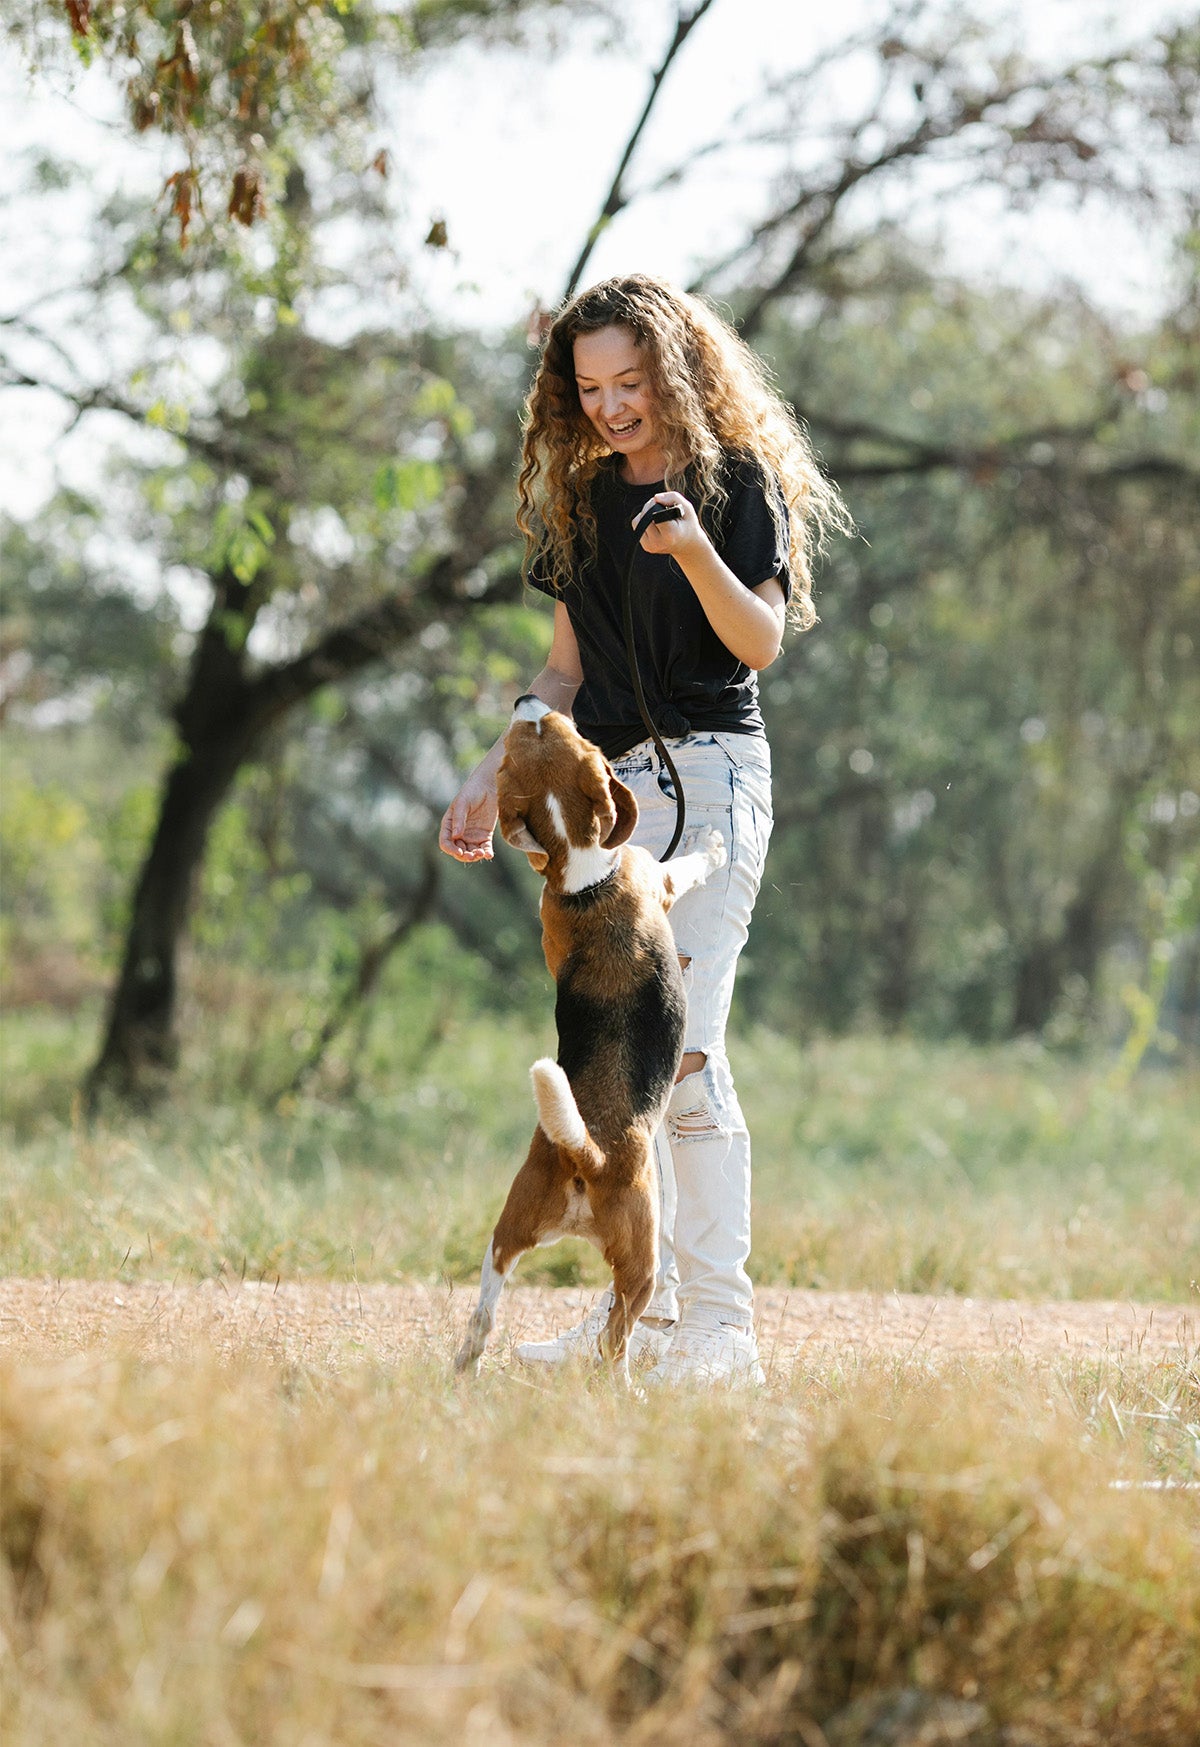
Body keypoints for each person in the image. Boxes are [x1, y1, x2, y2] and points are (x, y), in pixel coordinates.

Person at [439, 274, 849, 1384]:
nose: (613, 404)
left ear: (673, 369)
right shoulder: (580, 504)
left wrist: (694, 553)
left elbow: (759, 639)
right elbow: (562, 673)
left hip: (714, 780)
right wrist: (491, 769)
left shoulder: (733, 483)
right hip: (614, 805)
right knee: (623, 1067)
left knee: (689, 1051)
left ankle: (721, 1329)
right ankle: (643, 1312)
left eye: (630, 381)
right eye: (591, 386)